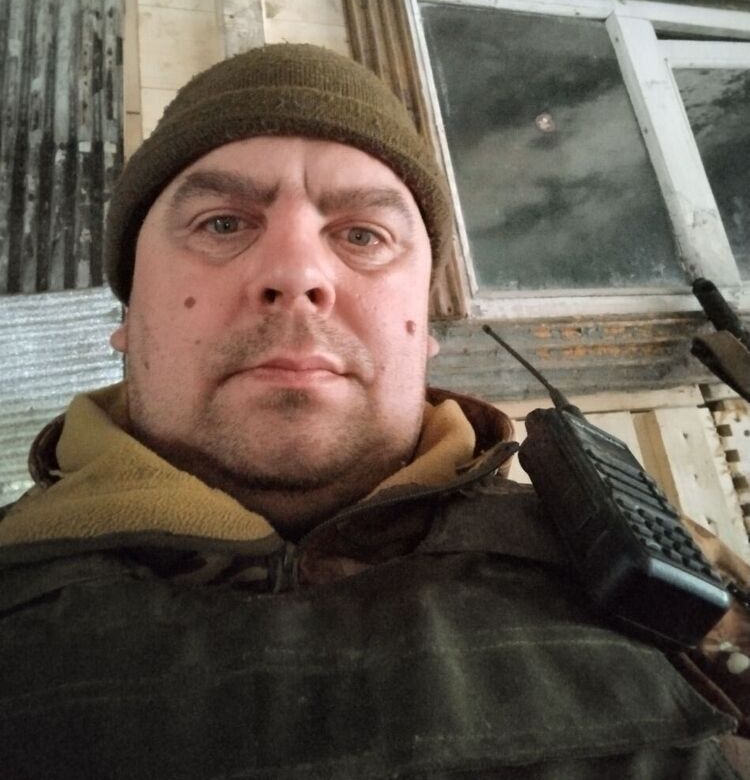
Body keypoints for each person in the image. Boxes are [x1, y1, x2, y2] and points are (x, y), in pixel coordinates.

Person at [1, 43, 749, 779]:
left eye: (363, 235)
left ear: (424, 329)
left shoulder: (649, 565)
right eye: (222, 223)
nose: (297, 273)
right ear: (129, 312)